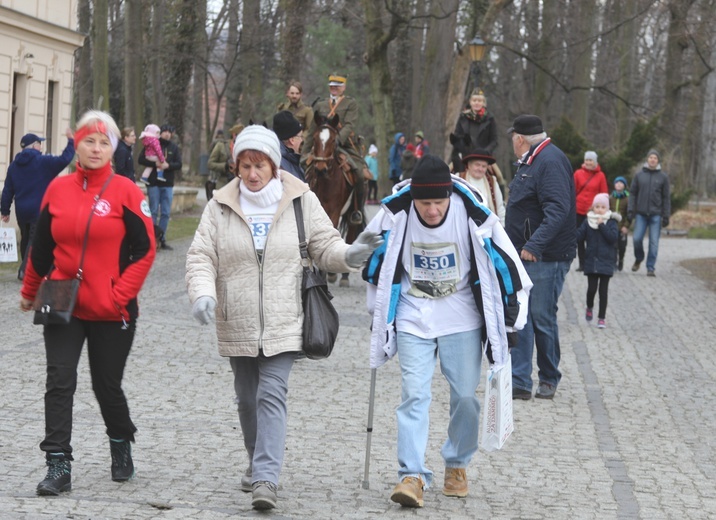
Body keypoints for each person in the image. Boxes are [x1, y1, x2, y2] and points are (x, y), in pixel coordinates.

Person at [185, 125, 382, 511]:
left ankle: (265, 478)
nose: (253, 174)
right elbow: (200, 256)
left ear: (274, 165)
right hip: (237, 318)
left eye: (260, 165)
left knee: (271, 393)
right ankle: (255, 459)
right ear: (237, 167)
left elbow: (325, 246)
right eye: (246, 166)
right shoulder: (219, 205)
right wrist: (203, 293)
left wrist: (351, 255)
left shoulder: (300, 201)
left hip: (285, 317)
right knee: (246, 399)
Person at [362, 155, 531, 508]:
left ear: (449, 196)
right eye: (425, 203)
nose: (433, 210)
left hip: (461, 317)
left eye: (439, 202)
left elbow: (509, 266)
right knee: (414, 394)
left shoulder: (472, 214)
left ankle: (456, 463)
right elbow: (374, 260)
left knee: (466, 396)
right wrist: (376, 309)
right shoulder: (398, 213)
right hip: (413, 314)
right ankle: (411, 474)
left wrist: (513, 319)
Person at [18, 110, 156, 496]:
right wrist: (30, 291)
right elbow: (40, 248)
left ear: (113, 147)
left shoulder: (126, 190)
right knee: (59, 381)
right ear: (75, 143)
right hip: (60, 296)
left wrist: (119, 294)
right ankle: (57, 463)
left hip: (111, 307)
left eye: (104, 142)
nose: (96, 149)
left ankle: (120, 442)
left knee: (105, 385)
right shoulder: (57, 190)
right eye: (88, 141)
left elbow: (145, 251)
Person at [504, 115, 576, 400]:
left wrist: (534, 245)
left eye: (513, 137)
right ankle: (520, 381)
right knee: (522, 316)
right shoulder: (532, 160)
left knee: (541, 316)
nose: (512, 142)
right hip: (525, 253)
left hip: (547, 256)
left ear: (520, 138)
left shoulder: (549, 161)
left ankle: (548, 377)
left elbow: (558, 209)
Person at [1, 129, 75, 280]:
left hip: (21, 211)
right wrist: (71, 142)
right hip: (39, 209)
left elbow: (7, 190)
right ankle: (24, 270)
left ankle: (26, 267)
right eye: (39, 143)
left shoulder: (14, 166)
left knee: (26, 239)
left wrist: (5, 211)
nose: (41, 146)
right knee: (35, 240)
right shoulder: (43, 162)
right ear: (35, 145)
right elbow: (65, 159)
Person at [302, 73, 365, 224]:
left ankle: (357, 210)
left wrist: (336, 140)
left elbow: (349, 125)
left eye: (337, 85)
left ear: (344, 87)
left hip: (344, 145)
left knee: (360, 175)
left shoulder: (350, 104)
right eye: (332, 85)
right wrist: (304, 153)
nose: (334, 88)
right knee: (303, 171)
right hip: (321, 147)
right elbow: (312, 130)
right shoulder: (320, 105)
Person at [576, 193, 620, 329]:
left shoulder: (611, 222)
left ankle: (602, 317)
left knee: (603, 291)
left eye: (602, 207)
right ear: (593, 208)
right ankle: (589, 307)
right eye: (597, 206)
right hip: (591, 261)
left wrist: (602, 226)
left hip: (606, 261)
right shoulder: (588, 221)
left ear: (607, 209)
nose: (600, 209)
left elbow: (612, 238)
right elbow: (579, 236)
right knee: (591, 289)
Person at [627, 149, 671, 277]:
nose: (652, 160)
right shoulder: (639, 175)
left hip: (656, 214)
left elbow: (666, 197)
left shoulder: (663, 177)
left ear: (658, 161)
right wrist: (631, 210)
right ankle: (639, 258)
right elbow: (633, 194)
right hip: (640, 214)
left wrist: (666, 215)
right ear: (647, 159)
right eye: (650, 157)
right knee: (636, 239)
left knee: (654, 242)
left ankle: (650, 267)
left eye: (655, 158)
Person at [138, 123, 181, 250]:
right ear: (159, 133)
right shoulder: (152, 142)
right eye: (164, 131)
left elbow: (179, 164)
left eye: (169, 132)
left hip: (167, 183)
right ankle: (151, 239)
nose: (167, 134)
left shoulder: (174, 147)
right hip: (153, 183)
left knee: (166, 213)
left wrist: (169, 166)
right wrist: (155, 163)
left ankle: (162, 239)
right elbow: (141, 159)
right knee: (153, 211)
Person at [573, 151, 608, 271]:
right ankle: (582, 263)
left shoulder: (600, 176)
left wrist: (596, 208)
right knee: (579, 238)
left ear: (595, 162)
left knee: (592, 238)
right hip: (578, 210)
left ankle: (591, 262)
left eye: (590, 160)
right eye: (586, 160)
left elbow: (604, 194)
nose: (588, 162)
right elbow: (573, 190)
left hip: (592, 212)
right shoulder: (578, 174)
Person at [452, 89, 498, 175]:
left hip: (484, 157)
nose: (477, 103)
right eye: (474, 100)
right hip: (464, 156)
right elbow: (457, 136)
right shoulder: (462, 117)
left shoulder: (490, 119)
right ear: (470, 102)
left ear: (483, 103)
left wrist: (486, 151)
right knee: (449, 172)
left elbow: (494, 140)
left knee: (499, 177)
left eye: (479, 101)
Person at [462, 147, 505, 226]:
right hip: (465, 226)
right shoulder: (460, 179)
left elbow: (500, 208)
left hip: (488, 227)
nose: (480, 169)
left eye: (484, 166)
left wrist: (502, 228)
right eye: (477, 165)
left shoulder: (492, 182)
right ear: (469, 165)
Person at [272, 110, 305, 181]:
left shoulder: (290, 159)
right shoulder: (280, 166)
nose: (302, 140)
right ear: (292, 140)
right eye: (300, 136)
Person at [610, 176, 630, 271]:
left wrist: (626, 226)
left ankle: (621, 260)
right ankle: (613, 262)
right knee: (613, 246)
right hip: (612, 227)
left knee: (622, 246)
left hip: (622, 227)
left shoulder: (627, 199)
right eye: (617, 182)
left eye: (621, 183)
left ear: (624, 186)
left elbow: (629, 214)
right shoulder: (610, 198)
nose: (618, 184)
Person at [206, 129, 230, 200]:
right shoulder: (224, 142)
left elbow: (209, 150)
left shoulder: (215, 141)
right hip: (221, 165)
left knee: (213, 177)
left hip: (216, 162)